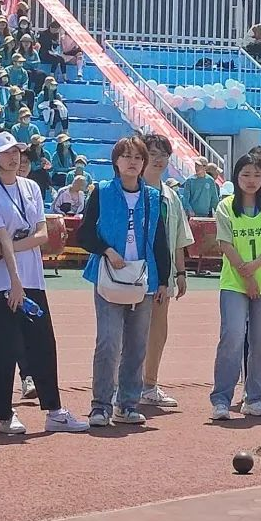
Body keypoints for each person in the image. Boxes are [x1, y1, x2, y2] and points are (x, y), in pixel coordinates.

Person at [0, 132, 89, 434]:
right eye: (6, 153)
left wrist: (9, 247)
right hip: (4, 282)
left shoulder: (31, 187)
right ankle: (3, 415)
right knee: (5, 347)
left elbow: (41, 235)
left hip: (32, 278)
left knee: (43, 343)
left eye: (17, 152)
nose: (14, 157)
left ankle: (54, 410)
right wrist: (14, 280)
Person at [78, 137, 171, 427]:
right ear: (116, 162)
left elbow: (159, 239)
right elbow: (84, 234)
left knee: (137, 344)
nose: (133, 162)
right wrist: (107, 250)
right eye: (126, 156)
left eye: (138, 158)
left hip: (143, 279)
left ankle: (128, 404)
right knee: (108, 341)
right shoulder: (102, 191)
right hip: (108, 276)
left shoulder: (153, 197)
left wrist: (164, 280)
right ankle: (100, 405)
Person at [209, 155, 261, 419]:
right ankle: (221, 399)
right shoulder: (225, 207)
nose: (251, 180)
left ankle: (255, 397)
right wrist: (246, 274)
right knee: (232, 337)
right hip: (234, 283)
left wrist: (254, 267)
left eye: (257, 175)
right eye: (245, 174)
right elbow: (225, 243)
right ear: (236, 177)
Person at [140, 134, 194, 409]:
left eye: (164, 154)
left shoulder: (170, 196)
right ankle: (121, 385)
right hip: (132, 274)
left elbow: (179, 238)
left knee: (158, 330)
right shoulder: (131, 190)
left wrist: (181, 273)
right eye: (153, 153)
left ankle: (149, 384)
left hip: (163, 275)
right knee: (127, 331)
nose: (159, 159)